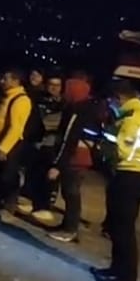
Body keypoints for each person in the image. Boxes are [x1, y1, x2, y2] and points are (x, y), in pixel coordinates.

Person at [91, 80, 140, 281]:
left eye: (111, 100)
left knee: (122, 230)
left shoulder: (131, 120)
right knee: (121, 228)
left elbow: (121, 151)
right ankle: (116, 270)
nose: (110, 104)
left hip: (127, 176)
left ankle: (125, 277)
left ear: (118, 98)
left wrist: (104, 145)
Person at [47, 76, 98, 243]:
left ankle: (70, 229)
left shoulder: (77, 111)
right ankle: (67, 226)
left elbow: (68, 139)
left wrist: (57, 165)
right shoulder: (90, 108)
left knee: (71, 194)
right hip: (81, 158)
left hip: (75, 159)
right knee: (71, 193)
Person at [0, 68, 33, 215]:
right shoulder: (7, 96)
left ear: (15, 81)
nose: (2, 81)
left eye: (5, 79)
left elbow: (16, 128)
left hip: (10, 145)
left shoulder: (20, 100)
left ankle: (5, 204)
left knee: (7, 176)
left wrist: (3, 148)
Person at [23, 74, 65, 221]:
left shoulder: (64, 104)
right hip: (36, 143)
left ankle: (43, 206)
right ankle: (30, 201)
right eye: (51, 84)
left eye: (57, 85)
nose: (53, 88)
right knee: (33, 173)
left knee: (48, 178)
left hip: (52, 145)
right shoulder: (37, 99)